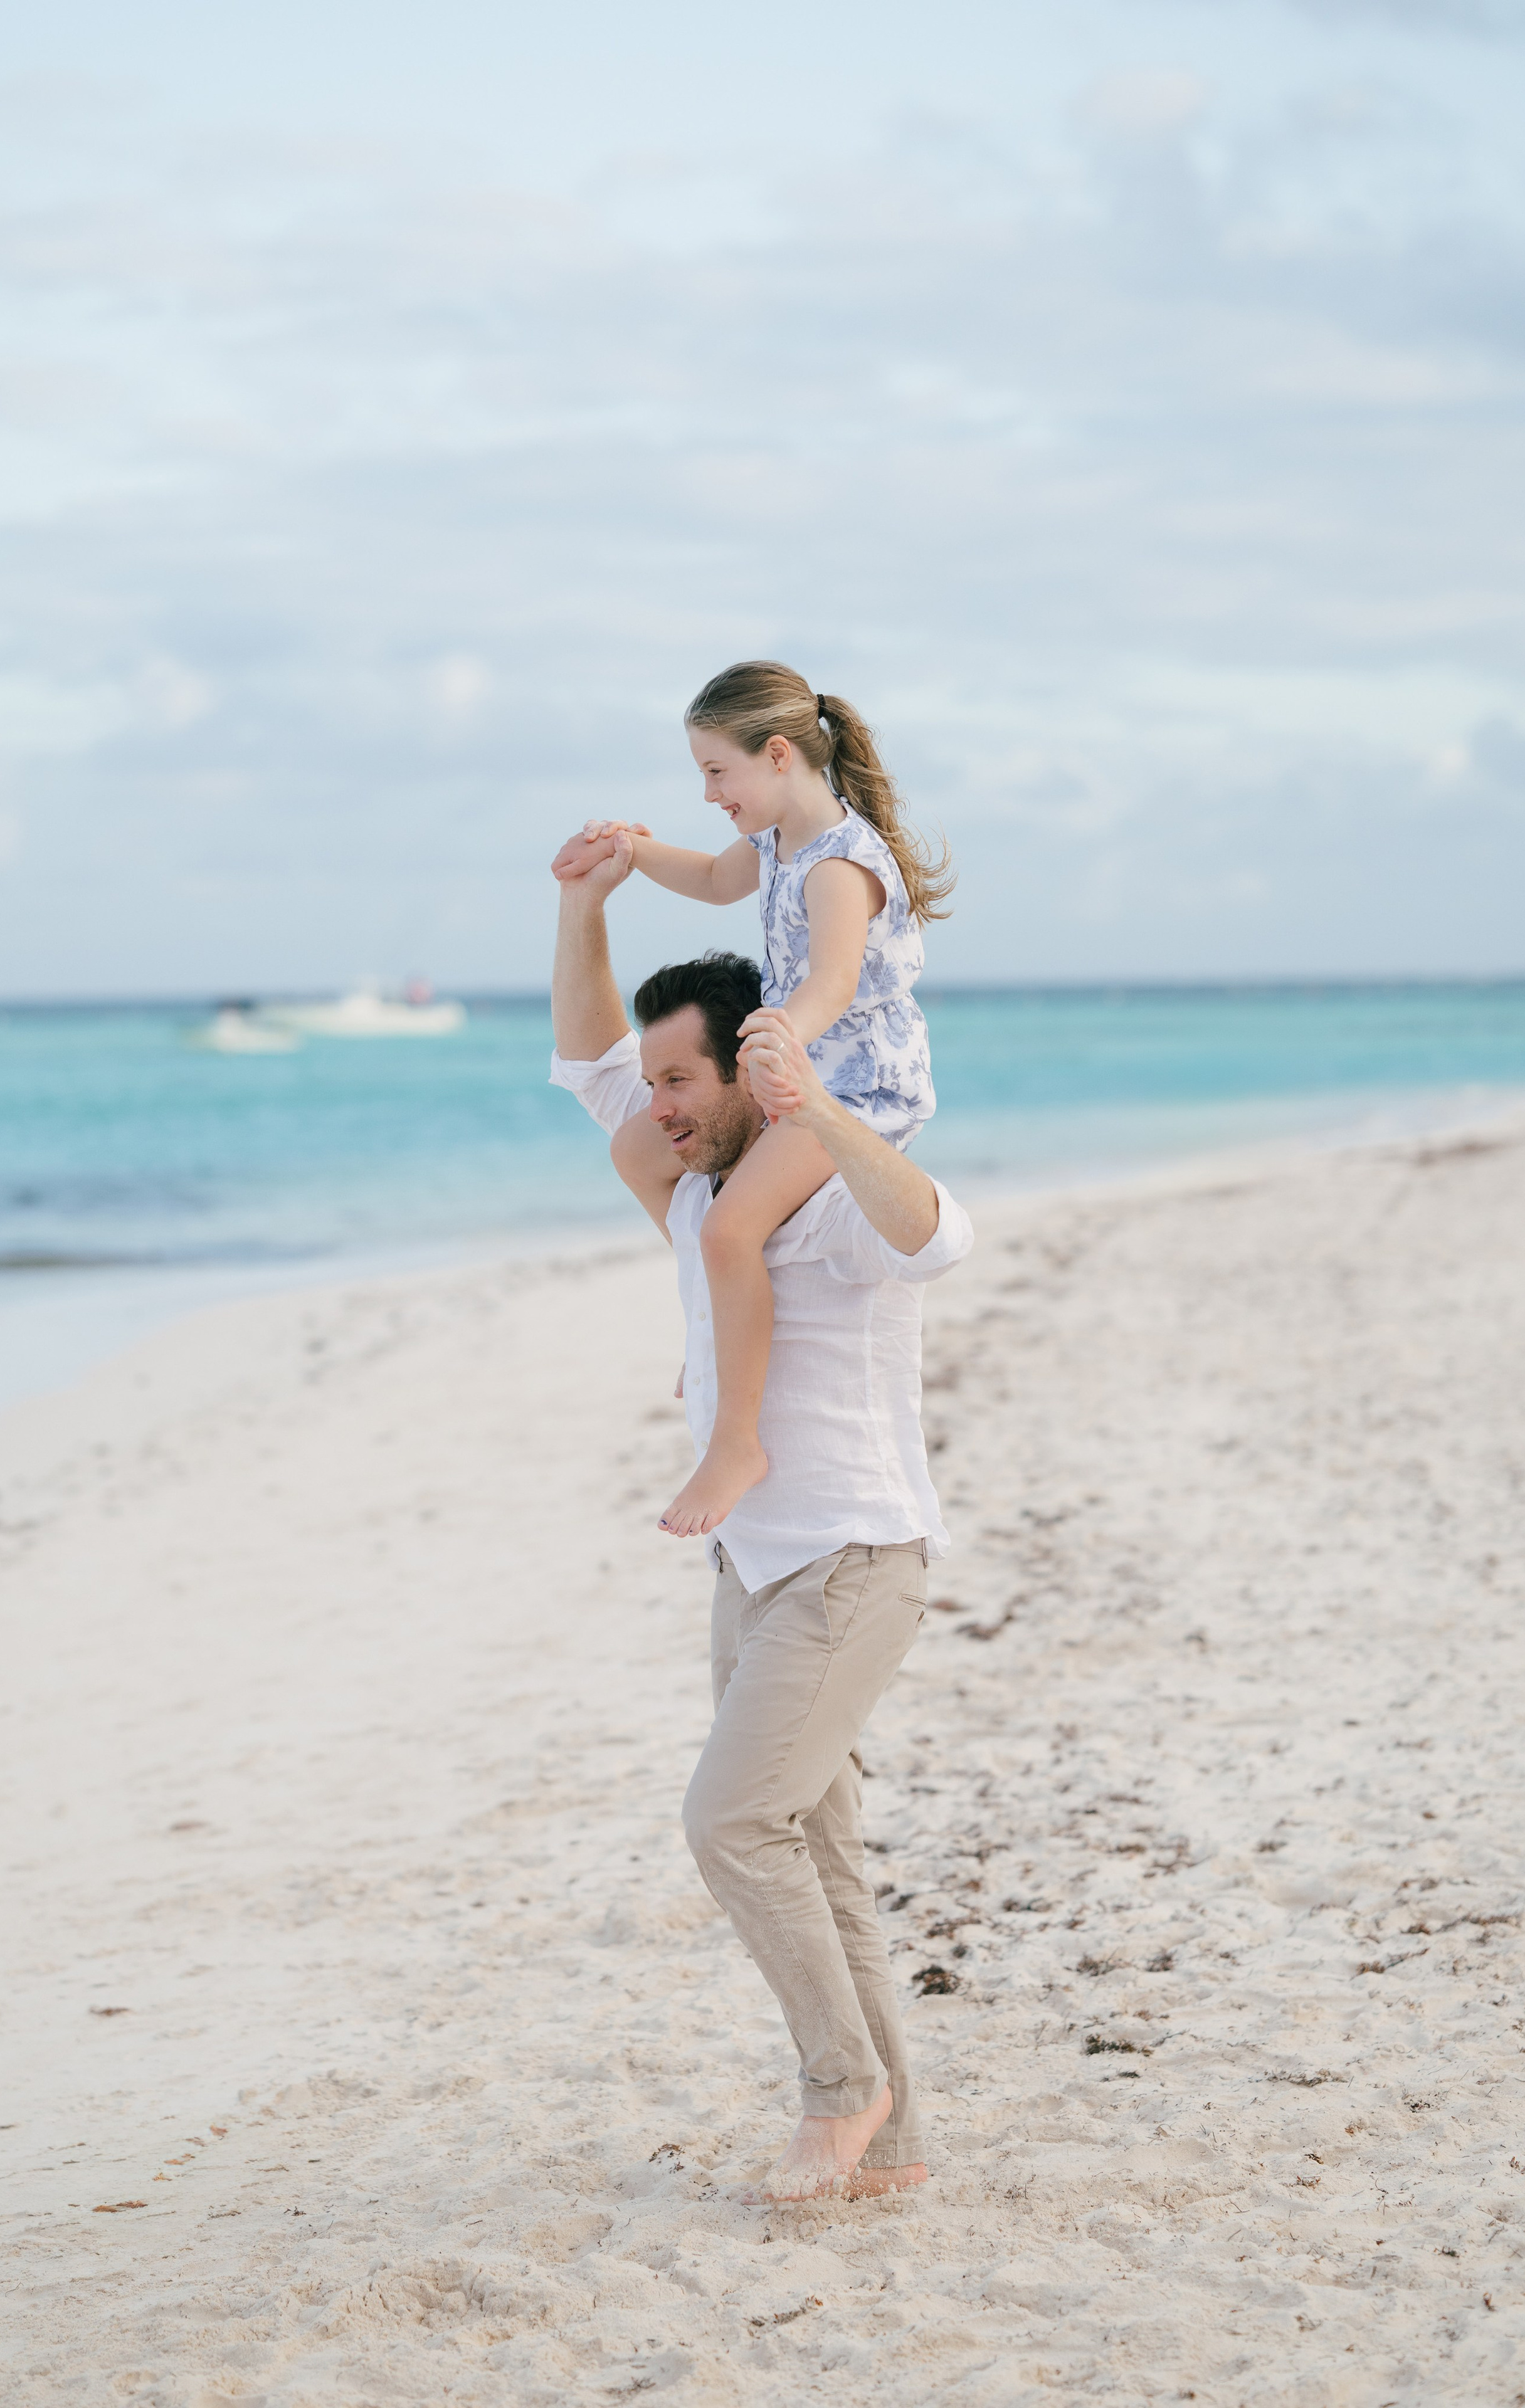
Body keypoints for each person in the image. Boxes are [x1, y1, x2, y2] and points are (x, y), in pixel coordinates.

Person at [548, 824, 973, 2203]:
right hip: (756, 1571)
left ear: (746, 1069)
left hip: (854, 1561)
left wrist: (824, 1108)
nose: (657, 1101)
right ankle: (891, 2151)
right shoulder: (697, 1205)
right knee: (817, 1848)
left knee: (729, 1823)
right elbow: (589, 1066)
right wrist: (583, 912)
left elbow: (938, 1232)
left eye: (683, 1078)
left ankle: (840, 2091)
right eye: (657, 1077)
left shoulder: (817, 1209)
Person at [552, 660, 951, 1543]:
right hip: (794, 1069)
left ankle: (737, 1440)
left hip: (855, 1090)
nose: (708, 793)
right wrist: (627, 849)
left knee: (729, 1226)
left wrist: (780, 1034)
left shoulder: (841, 864)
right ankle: (719, 1323)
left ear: (777, 756)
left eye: (716, 772)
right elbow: (708, 880)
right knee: (638, 1151)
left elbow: (836, 980)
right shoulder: (776, 843)